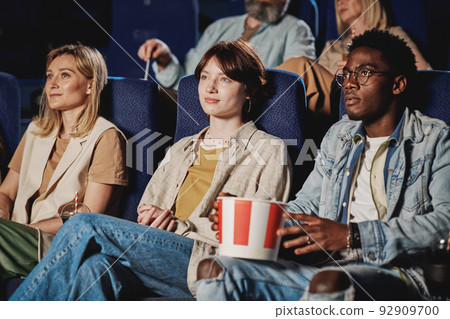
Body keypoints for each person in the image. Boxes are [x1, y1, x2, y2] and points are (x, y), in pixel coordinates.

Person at [10, 40, 291, 300]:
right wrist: (152, 217)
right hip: (158, 251)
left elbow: (254, 233)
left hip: (211, 260)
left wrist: (179, 225)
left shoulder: (269, 149)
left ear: (249, 90)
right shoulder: (181, 148)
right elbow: (148, 207)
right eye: (204, 77)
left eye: (225, 79)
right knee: (94, 267)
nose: (210, 88)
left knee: (84, 223)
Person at [196, 30, 450, 301]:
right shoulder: (339, 135)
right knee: (215, 269)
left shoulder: (434, 139)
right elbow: (306, 205)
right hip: (325, 266)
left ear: (397, 84)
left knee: (329, 283)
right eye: (347, 74)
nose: (350, 84)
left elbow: (445, 222)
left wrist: (352, 236)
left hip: (397, 272)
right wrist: (255, 216)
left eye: (364, 73)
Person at [0, 44, 128, 284]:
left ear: (90, 85)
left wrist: (27, 229)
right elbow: (6, 191)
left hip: (62, 242)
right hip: (15, 235)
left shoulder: (106, 136)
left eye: (65, 75)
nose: (52, 84)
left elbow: (91, 214)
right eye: (50, 75)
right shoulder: (36, 131)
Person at [277, 0, 432, 141]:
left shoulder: (391, 35)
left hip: (360, 94)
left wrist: (362, 70)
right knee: (296, 77)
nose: (339, 2)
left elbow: (425, 73)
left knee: (300, 64)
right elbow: (316, 84)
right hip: (330, 100)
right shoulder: (333, 45)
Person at [137, 0, 315, 91]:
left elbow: (295, 82)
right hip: (200, 100)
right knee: (145, 96)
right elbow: (185, 79)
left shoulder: (295, 29)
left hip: (249, 105)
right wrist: (165, 59)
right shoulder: (219, 27)